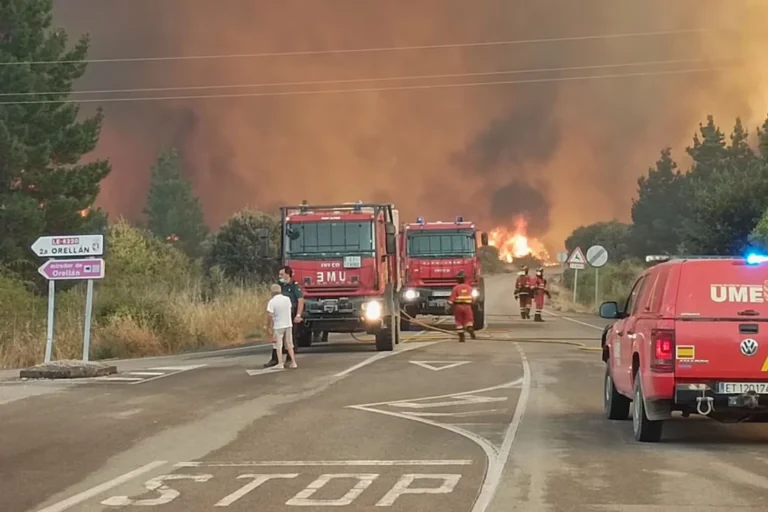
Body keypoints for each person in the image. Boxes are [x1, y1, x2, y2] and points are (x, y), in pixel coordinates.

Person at [264, 265, 305, 368]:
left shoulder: (294, 286)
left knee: (291, 340)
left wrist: (298, 315)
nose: (280, 276)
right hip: (279, 316)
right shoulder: (279, 286)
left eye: (282, 274)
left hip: (290, 315)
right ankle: (275, 359)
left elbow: (300, 300)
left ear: (288, 274)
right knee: (277, 339)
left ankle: (289, 359)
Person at [266, 284, 297, 368]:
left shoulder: (272, 301)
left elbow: (270, 315)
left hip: (278, 325)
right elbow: (290, 309)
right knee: (289, 344)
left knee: (278, 345)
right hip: (288, 324)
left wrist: (269, 326)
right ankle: (293, 362)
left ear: (272, 292)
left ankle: (280, 363)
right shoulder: (287, 299)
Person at [447, 270, 476, 343]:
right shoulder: (469, 287)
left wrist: (449, 304)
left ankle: (461, 337)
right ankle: (469, 328)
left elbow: (451, 300)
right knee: (469, 320)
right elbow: (473, 298)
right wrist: (472, 303)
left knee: (459, 321)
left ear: (457, 279)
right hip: (467, 307)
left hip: (458, 307)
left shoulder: (456, 288)